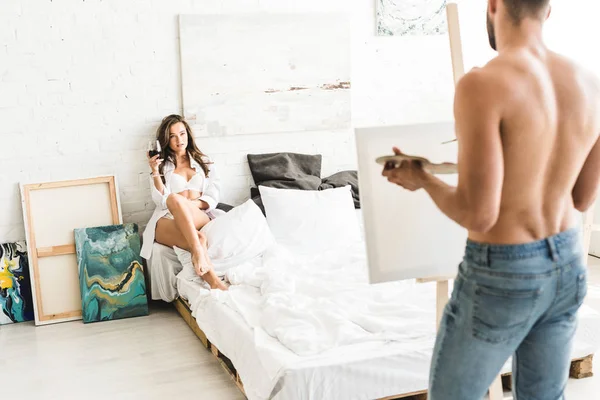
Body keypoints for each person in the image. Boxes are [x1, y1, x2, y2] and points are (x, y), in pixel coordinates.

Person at [382, 0, 600, 398]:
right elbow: (583, 198)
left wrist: (423, 179)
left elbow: (479, 215)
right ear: (547, 12)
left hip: (505, 272)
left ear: (494, 5)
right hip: (568, 263)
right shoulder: (589, 81)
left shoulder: (482, 84)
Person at [141, 114, 228, 291]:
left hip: (198, 213)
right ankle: (214, 282)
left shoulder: (205, 161)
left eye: (182, 134)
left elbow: (213, 195)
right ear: (166, 140)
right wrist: (155, 171)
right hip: (169, 216)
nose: (179, 140)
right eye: (172, 136)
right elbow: (161, 201)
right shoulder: (162, 165)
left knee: (175, 199)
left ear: (188, 134)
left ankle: (196, 250)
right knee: (198, 236)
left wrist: (189, 205)